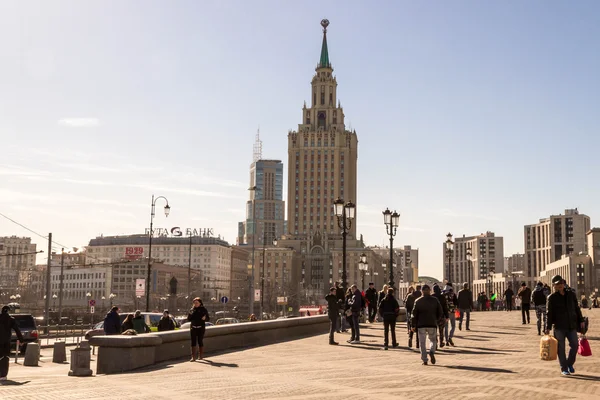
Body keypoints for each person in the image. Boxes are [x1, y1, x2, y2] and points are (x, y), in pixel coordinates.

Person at [545, 275, 585, 376]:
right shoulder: (552, 298)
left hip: (571, 325)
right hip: (559, 327)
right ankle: (564, 368)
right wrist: (547, 327)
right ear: (553, 285)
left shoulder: (571, 295)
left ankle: (569, 363)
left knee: (575, 345)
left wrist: (581, 320)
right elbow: (549, 313)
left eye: (562, 283)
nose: (560, 285)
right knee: (560, 348)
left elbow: (576, 308)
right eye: (558, 284)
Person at [411, 285, 443, 365]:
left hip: (421, 324)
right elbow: (440, 311)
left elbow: (413, 314)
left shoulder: (418, 301)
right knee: (433, 340)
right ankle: (432, 351)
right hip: (432, 323)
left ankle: (425, 359)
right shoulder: (435, 300)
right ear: (430, 291)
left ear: (422, 291)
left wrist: (413, 325)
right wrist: (437, 319)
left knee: (422, 342)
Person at [0, 306, 23, 382]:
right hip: (6, 342)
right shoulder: (11, 319)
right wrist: (21, 340)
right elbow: (17, 330)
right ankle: (3, 375)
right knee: (5, 358)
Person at [432, 284, 449, 348]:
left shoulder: (432, 297)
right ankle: (441, 342)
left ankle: (435, 343)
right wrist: (447, 316)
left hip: (433, 317)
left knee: (434, 330)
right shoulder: (442, 297)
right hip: (441, 316)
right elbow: (445, 307)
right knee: (441, 330)